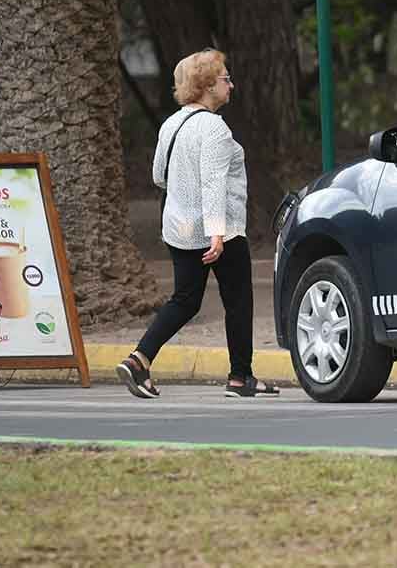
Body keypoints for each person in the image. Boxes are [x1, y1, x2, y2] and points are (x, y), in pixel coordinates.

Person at [116, 49, 278, 399]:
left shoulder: (171, 124)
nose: (230, 85)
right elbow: (213, 183)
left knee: (185, 300)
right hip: (221, 231)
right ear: (207, 85)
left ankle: (138, 359)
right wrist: (217, 235)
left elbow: (159, 176)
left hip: (179, 228)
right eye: (225, 79)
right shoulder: (215, 128)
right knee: (238, 300)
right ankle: (240, 377)